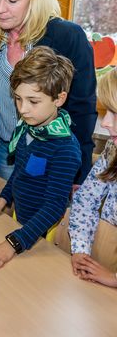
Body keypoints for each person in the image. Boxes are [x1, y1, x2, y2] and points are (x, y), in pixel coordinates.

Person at [0, 0, 96, 184]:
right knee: (6, 217)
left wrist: (77, 173)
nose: (0, 9)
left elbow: (82, 109)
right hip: (6, 152)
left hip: (52, 156)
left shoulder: (67, 37)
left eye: (12, 0)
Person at [0, 47, 81, 269]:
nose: (23, 109)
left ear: (59, 99)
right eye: (18, 99)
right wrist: (1, 202)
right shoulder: (28, 129)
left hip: (45, 237)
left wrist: (13, 244)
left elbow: (54, 207)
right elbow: (19, 174)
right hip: (22, 227)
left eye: (33, 101)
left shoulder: (65, 148)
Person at [69, 69, 117, 288]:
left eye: (115, 112)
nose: (106, 122)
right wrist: (80, 249)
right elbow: (85, 200)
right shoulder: (112, 149)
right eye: (106, 110)